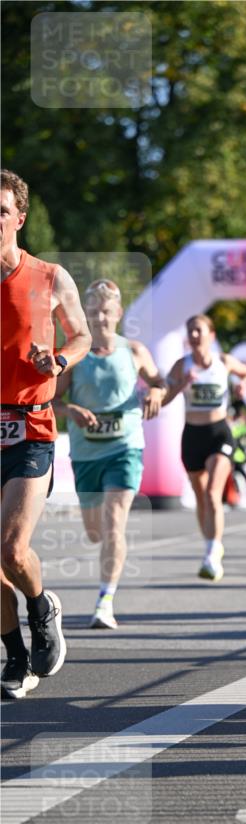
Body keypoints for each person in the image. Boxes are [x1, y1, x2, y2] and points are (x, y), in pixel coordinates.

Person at [1, 169, 91, 698]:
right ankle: (15, 658)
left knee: (11, 550)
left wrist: (56, 359)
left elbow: (81, 336)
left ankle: (40, 606)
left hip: (31, 425)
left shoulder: (50, 276)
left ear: (19, 218)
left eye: (0, 210)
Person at [54, 279, 168, 629]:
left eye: (106, 312)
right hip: (87, 453)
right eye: (92, 313)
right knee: (94, 531)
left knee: (114, 520)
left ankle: (105, 600)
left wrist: (155, 394)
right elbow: (53, 400)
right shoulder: (74, 355)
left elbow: (159, 382)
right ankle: (107, 563)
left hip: (125, 447)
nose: (100, 319)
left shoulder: (133, 350)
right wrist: (70, 410)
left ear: (118, 313)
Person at [162, 314, 246, 581]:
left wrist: (242, 385)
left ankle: (212, 555)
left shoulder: (223, 362)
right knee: (201, 496)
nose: (193, 336)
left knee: (214, 493)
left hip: (219, 433)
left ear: (211, 335)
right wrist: (181, 384)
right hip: (192, 435)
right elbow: (164, 399)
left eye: (198, 330)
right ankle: (211, 545)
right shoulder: (182, 366)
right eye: (190, 331)